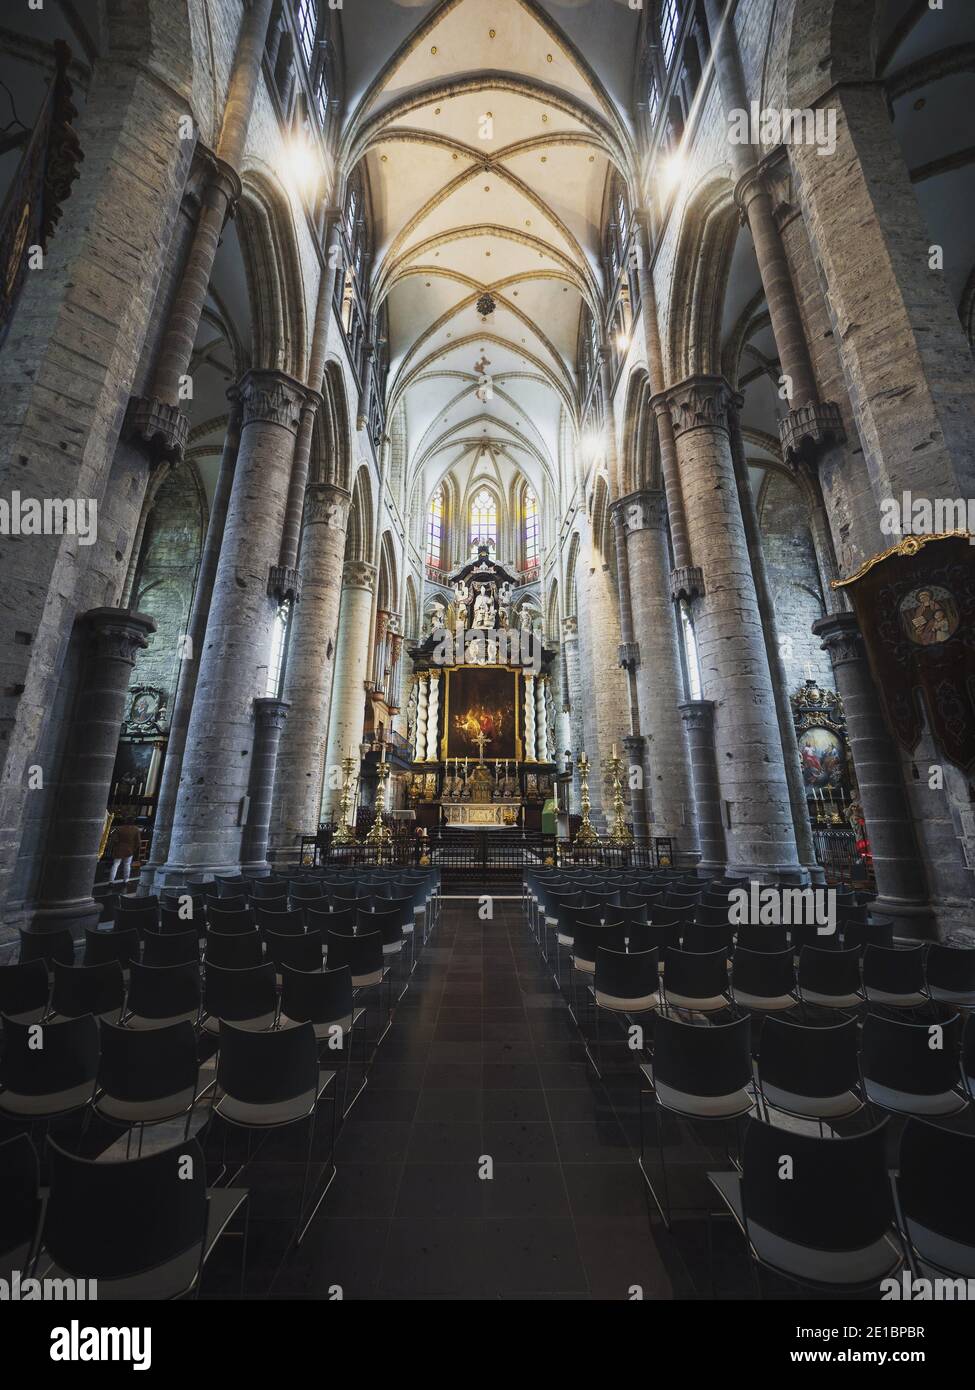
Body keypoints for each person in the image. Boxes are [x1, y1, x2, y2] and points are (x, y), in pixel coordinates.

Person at [108, 817, 141, 884]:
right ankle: (126, 880)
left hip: (119, 849)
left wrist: (116, 846)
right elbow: (138, 842)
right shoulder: (136, 829)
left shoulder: (119, 829)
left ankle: (111, 881)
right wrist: (134, 849)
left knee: (115, 865)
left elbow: (114, 840)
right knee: (127, 865)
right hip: (129, 850)